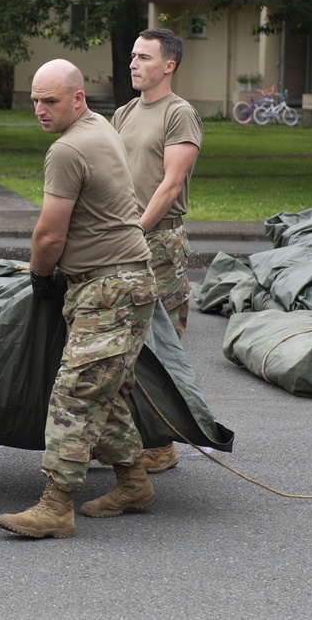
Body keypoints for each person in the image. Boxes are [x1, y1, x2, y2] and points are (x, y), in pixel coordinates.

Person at [0, 59, 159, 539]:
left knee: (75, 394)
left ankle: (56, 505)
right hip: (123, 284)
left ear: (77, 98)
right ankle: (133, 483)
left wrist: (40, 277)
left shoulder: (67, 150)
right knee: (102, 390)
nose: (40, 111)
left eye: (50, 101)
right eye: (35, 101)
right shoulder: (99, 127)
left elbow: (49, 234)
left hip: (110, 287)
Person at [112, 28, 202, 474]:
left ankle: (162, 444)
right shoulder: (125, 112)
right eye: (132, 56)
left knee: (159, 345)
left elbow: (170, 185)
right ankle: (128, 437)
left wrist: (137, 231)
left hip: (159, 242)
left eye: (144, 57)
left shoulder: (179, 114)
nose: (133, 64)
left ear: (169, 65)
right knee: (120, 342)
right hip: (123, 238)